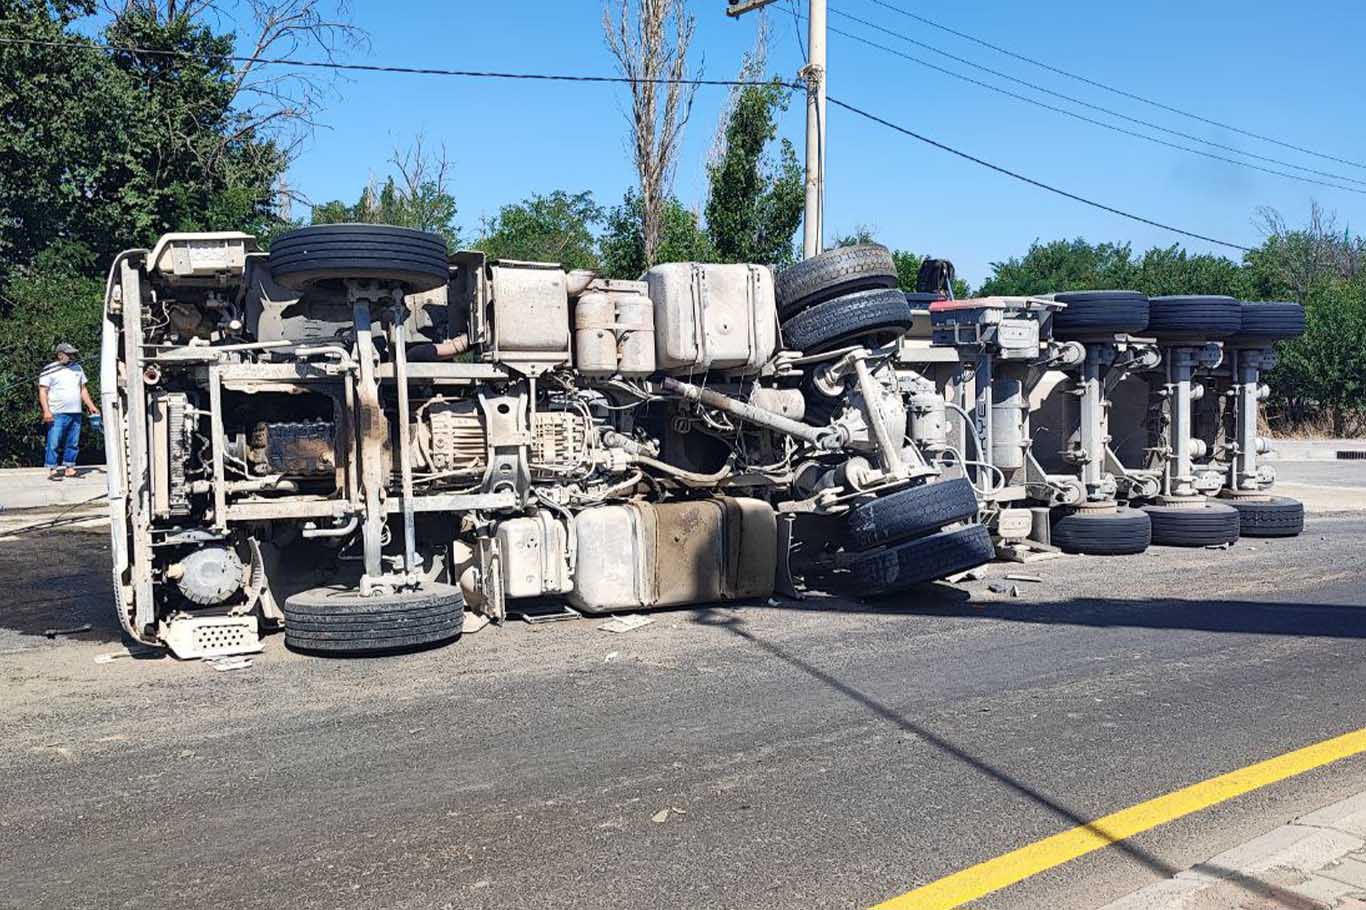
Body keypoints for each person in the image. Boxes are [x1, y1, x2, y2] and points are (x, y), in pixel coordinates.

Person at [38, 342, 98, 479]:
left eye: (72, 354)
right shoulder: (49, 369)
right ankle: (52, 468)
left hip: (75, 411)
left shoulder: (77, 368)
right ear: (60, 355)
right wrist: (46, 411)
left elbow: (83, 389)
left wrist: (91, 406)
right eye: (68, 354)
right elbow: (43, 391)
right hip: (57, 412)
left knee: (73, 441)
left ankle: (69, 467)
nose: (71, 356)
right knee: (54, 441)